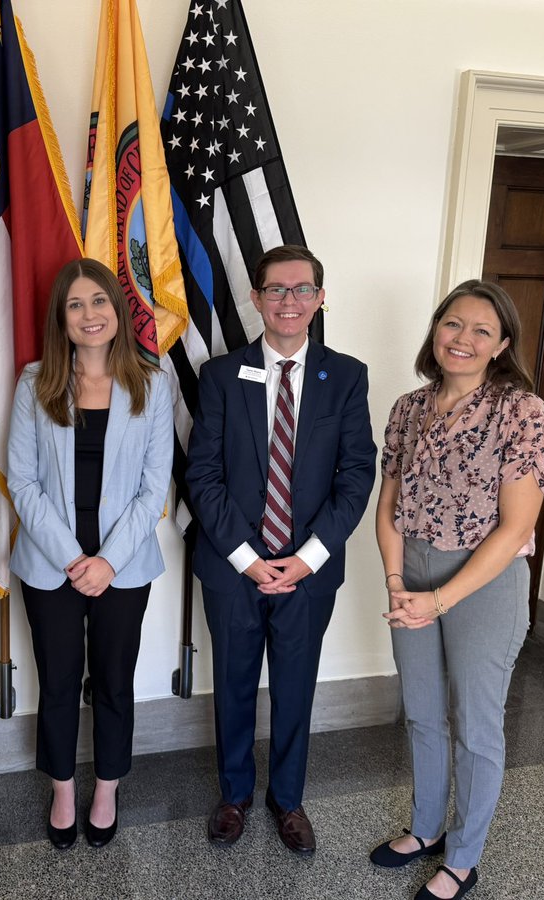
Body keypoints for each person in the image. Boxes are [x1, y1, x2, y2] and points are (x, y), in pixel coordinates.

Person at [370, 280, 544, 899]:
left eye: (482, 330)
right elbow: (389, 505)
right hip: (414, 569)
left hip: (485, 580)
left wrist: (441, 599)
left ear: (502, 344)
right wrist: (398, 581)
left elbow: (516, 528)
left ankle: (462, 855)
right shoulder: (407, 407)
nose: (464, 339)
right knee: (422, 712)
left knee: (476, 725)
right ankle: (425, 828)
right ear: (436, 330)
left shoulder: (522, 412)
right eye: (454, 324)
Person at [186, 244, 376, 856]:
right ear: (256, 298)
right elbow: (202, 476)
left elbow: (356, 476)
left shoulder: (346, 376)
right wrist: (247, 557)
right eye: (276, 290)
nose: (289, 301)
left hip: (308, 571)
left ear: (321, 298)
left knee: (296, 687)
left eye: (302, 290)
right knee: (234, 683)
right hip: (232, 568)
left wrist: (307, 557)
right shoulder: (219, 375)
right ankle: (235, 794)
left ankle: (287, 799)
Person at [7, 258, 173, 851]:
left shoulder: (153, 383)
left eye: (98, 301)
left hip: (124, 567)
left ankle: (106, 788)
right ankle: (62, 791)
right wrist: (74, 557)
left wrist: (106, 562)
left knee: (112, 682)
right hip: (49, 564)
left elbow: (155, 487)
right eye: (76, 305)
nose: (89, 314)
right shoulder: (35, 383)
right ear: (62, 317)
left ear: (117, 310)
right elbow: (22, 482)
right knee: (56, 682)